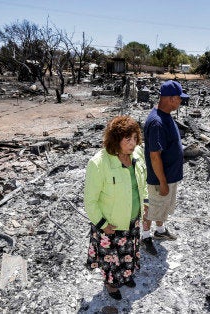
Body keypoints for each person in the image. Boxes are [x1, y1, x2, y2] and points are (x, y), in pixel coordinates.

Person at [84, 115, 149, 300]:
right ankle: (111, 284)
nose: (133, 143)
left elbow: (141, 184)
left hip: (132, 219)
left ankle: (126, 276)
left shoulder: (137, 154)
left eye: (135, 137)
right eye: (127, 139)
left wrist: (145, 203)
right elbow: (90, 200)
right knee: (111, 258)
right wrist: (102, 223)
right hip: (110, 224)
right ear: (115, 140)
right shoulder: (98, 163)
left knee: (129, 252)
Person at [141, 80, 188, 256]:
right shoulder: (157, 122)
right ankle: (145, 237)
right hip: (160, 179)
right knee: (152, 207)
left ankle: (159, 232)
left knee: (162, 207)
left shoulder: (165, 115)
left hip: (169, 176)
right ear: (171, 99)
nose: (181, 102)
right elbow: (154, 156)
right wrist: (162, 182)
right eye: (179, 99)